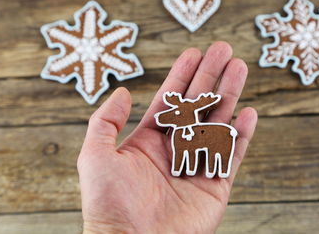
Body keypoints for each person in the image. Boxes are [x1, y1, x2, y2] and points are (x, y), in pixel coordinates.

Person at [77, 41, 258, 233]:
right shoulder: (178, 135)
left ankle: (216, 169)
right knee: (186, 155)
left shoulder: (206, 130)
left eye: (177, 114)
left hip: (214, 136)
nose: (169, 116)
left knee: (216, 156)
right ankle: (190, 169)